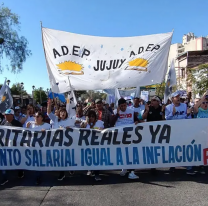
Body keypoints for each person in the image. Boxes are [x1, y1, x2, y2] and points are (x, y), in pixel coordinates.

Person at [165, 91, 194, 175]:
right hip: (173, 132)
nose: (178, 98)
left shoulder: (184, 106)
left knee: (186, 148)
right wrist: (172, 113)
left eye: (178, 97)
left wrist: (188, 114)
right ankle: (172, 166)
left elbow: (188, 119)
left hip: (184, 131)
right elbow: (167, 120)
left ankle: (189, 167)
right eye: (176, 97)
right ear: (172, 98)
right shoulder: (168, 107)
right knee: (173, 149)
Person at [111, 98, 140, 179]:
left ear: (126, 105)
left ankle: (131, 172)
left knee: (131, 153)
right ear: (119, 106)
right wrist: (117, 113)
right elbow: (111, 123)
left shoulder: (131, 111)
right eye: (121, 106)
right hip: (120, 136)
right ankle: (124, 168)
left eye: (124, 105)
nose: (123, 107)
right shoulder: (115, 112)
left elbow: (136, 120)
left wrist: (137, 122)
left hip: (130, 135)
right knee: (123, 153)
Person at [47, 99, 75, 181]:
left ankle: (71, 167)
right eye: (61, 112)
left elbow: (75, 131)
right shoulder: (56, 119)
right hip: (57, 143)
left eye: (64, 112)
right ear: (59, 113)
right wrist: (49, 104)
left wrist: (70, 129)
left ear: (66, 113)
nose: (62, 113)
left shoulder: (70, 121)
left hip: (67, 143)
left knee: (68, 157)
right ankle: (62, 173)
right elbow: (49, 113)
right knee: (60, 158)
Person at [1, 109, 24, 186]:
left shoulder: (17, 124)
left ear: (12, 115)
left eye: (7, 115)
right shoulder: (3, 123)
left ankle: (20, 171)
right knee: (5, 161)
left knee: (17, 159)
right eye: (5, 115)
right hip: (6, 146)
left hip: (16, 145)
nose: (5, 116)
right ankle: (4, 177)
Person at [26, 112, 51, 185]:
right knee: (37, 163)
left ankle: (39, 176)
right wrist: (27, 128)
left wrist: (46, 132)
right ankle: (38, 176)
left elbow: (53, 134)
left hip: (43, 147)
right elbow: (25, 134)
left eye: (37, 116)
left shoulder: (47, 125)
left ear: (42, 118)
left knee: (41, 162)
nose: (35, 118)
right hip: (33, 147)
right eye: (35, 116)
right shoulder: (30, 125)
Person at [81, 110, 104, 181]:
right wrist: (85, 123)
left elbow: (104, 131)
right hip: (88, 145)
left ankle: (97, 174)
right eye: (89, 116)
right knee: (89, 158)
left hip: (97, 144)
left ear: (95, 117)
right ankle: (90, 170)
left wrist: (101, 129)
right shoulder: (85, 124)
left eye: (92, 116)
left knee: (97, 159)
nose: (91, 118)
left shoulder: (99, 123)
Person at [193, 92, 208, 174]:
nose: (205, 104)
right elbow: (195, 106)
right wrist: (203, 98)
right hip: (200, 134)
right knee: (200, 149)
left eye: (207, 102)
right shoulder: (199, 111)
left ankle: (204, 164)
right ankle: (199, 164)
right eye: (204, 103)